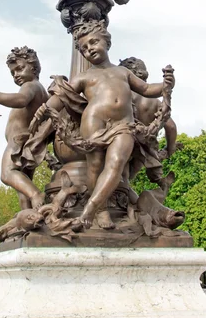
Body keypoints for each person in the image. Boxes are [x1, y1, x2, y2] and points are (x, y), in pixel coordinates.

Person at [30, 21, 174, 229]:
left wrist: (166, 85)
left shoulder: (123, 72)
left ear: (106, 42)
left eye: (93, 42)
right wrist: (42, 111)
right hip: (94, 121)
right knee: (95, 166)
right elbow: (61, 95)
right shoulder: (85, 76)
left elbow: (145, 88)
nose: (89, 49)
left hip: (124, 124)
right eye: (84, 48)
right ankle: (103, 210)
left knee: (116, 163)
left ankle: (91, 208)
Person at [0, 46, 48, 210]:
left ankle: (36, 195)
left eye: (20, 68)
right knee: (22, 187)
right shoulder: (36, 88)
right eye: (13, 73)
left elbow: (20, 100)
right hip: (26, 143)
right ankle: (27, 217)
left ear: (33, 67)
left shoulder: (31, 86)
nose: (16, 74)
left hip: (19, 142)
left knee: (7, 174)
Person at [119, 56, 177, 160]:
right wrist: (169, 150)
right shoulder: (154, 102)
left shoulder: (119, 95)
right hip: (139, 153)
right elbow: (171, 127)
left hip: (117, 144)